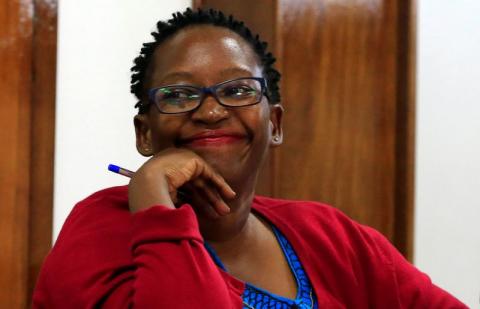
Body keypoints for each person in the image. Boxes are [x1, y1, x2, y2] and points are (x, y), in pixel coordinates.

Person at [33, 8, 466, 308]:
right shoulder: (98, 232)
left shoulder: (333, 236)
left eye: (238, 90)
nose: (211, 111)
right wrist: (152, 197)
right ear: (144, 133)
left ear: (274, 123)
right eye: (180, 95)